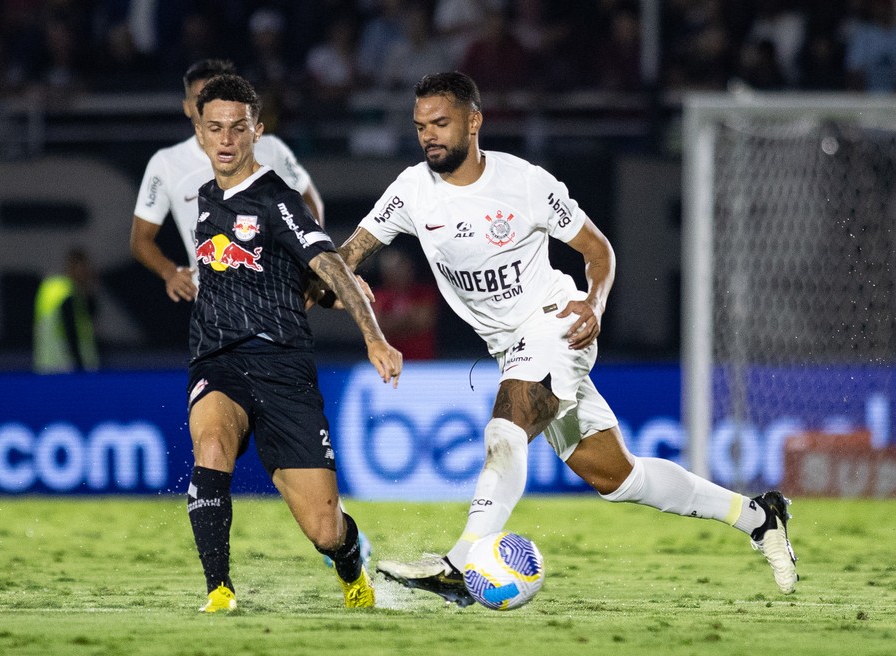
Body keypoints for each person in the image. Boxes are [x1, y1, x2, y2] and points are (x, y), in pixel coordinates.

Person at [336, 72, 798, 607]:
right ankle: (759, 516)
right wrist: (338, 279)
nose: (428, 136)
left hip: (556, 322)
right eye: (420, 127)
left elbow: (598, 250)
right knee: (616, 477)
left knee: (506, 429)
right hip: (509, 347)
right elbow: (346, 256)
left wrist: (595, 303)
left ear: (474, 121)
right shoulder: (412, 189)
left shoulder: (525, 183)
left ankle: (460, 564)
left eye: (440, 123)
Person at [185, 73, 402, 612]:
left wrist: (373, 337)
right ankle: (219, 590)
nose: (226, 139)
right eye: (216, 128)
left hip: (284, 369)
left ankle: (351, 568)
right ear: (200, 132)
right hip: (219, 360)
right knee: (211, 446)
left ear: (257, 131)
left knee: (326, 531)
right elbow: (269, 275)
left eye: (238, 128)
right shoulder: (206, 197)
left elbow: (329, 264)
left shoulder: (277, 200)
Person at [130, 58, 324, 304]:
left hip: (275, 297)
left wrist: (310, 262)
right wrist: (170, 272)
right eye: (199, 98)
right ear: (187, 107)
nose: (210, 106)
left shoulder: (270, 149)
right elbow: (140, 239)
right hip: (214, 306)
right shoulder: (166, 163)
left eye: (217, 96)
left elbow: (309, 201)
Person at [33, 247, 99, 373]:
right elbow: (71, 331)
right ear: (73, 267)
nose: (87, 274)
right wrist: (80, 366)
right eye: (84, 268)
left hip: (46, 366)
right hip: (66, 368)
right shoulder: (67, 294)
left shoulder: (51, 288)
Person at [372, 247, 439, 360]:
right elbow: (376, 328)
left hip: (422, 360)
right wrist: (409, 319)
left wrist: (392, 322)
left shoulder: (424, 293)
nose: (396, 273)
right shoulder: (378, 296)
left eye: (399, 267)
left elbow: (423, 322)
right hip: (391, 361)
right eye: (391, 270)